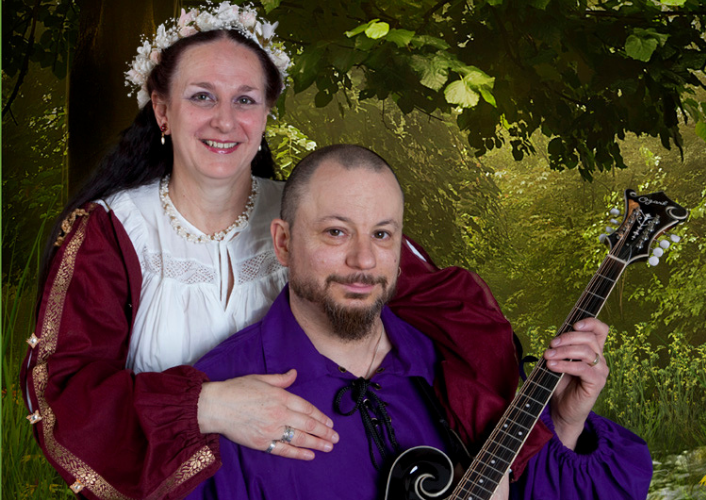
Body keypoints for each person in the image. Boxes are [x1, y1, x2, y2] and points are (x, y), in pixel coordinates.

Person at [20, 4, 551, 499]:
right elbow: (62, 395)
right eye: (202, 96)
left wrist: (490, 453)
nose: (225, 121)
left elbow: (448, 310)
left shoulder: (317, 215)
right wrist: (209, 404)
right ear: (162, 110)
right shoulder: (112, 233)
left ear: (267, 113)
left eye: (245, 99)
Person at [186, 145, 653, 500]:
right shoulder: (220, 394)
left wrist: (567, 422)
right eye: (335, 231)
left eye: (382, 234)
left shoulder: (455, 366)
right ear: (284, 243)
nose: (363, 259)